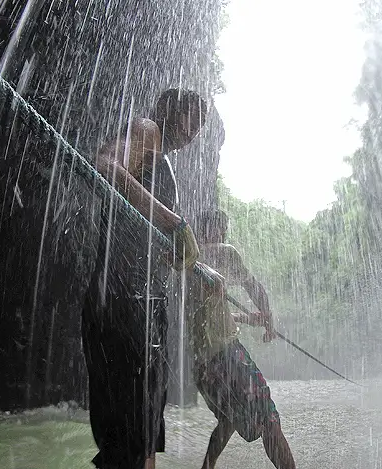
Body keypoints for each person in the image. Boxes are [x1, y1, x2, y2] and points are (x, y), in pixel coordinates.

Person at [82, 88, 209, 469]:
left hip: (146, 304)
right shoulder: (147, 129)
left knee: (146, 437)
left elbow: (145, 232)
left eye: (202, 124)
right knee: (129, 444)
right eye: (192, 116)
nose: (195, 130)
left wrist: (173, 251)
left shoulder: (163, 161)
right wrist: (172, 222)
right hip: (122, 298)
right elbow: (103, 165)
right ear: (169, 109)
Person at [187, 209, 296, 469]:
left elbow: (210, 315)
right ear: (215, 230)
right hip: (227, 355)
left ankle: (206, 466)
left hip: (202, 366)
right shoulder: (223, 252)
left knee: (229, 418)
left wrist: (250, 318)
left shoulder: (187, 261)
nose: (223, 234)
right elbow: (253, 286)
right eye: (221, 229)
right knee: (268, 417)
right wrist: (268, 315)